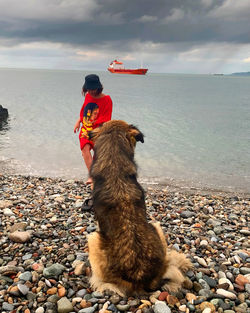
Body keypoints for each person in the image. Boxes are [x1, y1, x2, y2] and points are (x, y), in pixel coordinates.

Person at [74, 74, 113, 186]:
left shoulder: (107, 100)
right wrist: (78, 122)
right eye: (88, 89)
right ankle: (92, 175)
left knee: (98, 156)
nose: (90, 92)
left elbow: (107, 119)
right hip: (85, 129)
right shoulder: (87, 96)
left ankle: (99, 178)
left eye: (93, 89)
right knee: (85, 149)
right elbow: (84, 111)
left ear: (98, 87)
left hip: (98, 132)